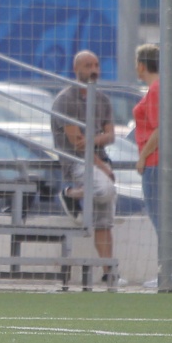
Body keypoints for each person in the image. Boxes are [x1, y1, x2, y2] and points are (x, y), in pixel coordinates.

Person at [51, 50, 122, 286]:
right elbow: (77, 144)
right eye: (88, 66)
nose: (94, 70)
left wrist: (94, 140)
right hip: (77, 164)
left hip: (99, 163)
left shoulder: (102, 99)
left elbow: (110, 136)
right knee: (104, 190)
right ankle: (69, 193)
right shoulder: (66, 99)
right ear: (76, 70)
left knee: (104, 221)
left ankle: (108, 271)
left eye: (97, 65)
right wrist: (101, 163)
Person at [133, 43, 172, 288]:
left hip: (159, 157)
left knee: (162, 217)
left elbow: (160, 127)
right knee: (165, 215)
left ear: (141, 66)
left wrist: (143, 156)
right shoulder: (162, 89)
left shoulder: (157, 90)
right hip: (170, 154)